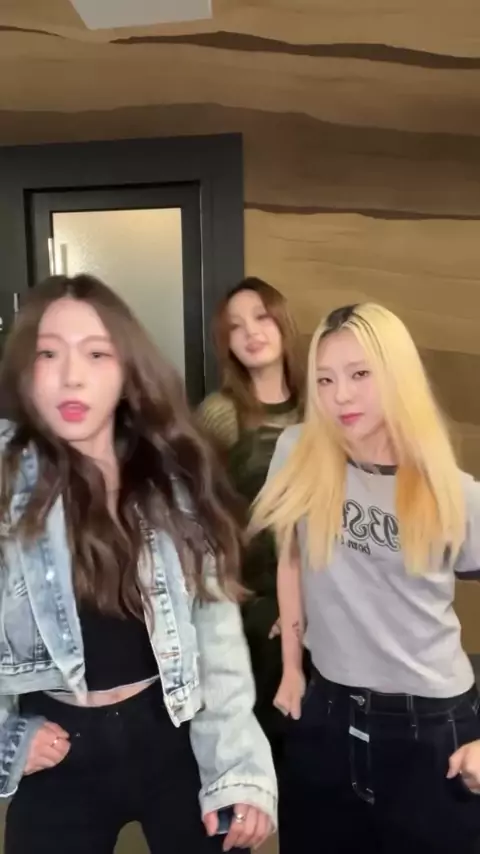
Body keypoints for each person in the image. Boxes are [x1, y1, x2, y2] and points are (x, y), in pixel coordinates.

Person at [0, 274, 276, 854]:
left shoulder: (171, 480)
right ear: (26, 370)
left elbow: (216, 635)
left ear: (127, 372)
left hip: (171, 727)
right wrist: (7, 739)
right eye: (49, 354)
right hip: (57, 743)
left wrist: (237, 769)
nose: (72, 376)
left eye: (96, 354)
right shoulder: (7, 482)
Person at [252, 303, 480, 853]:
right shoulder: (298, 451)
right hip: (327, 714)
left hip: (432, 728)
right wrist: (291, 667)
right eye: (325, 380)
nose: (341, 397)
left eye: (360, 374)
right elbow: (290, 553)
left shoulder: (451, 490)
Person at [198, 277, 305, 762]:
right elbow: (194, 511)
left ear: (283, 321)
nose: (251, 333)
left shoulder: (322, 405)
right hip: (249, 604)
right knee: (258, 740)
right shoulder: (219, 413)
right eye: (235, 326)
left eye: (261, 317)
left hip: (324, 601)